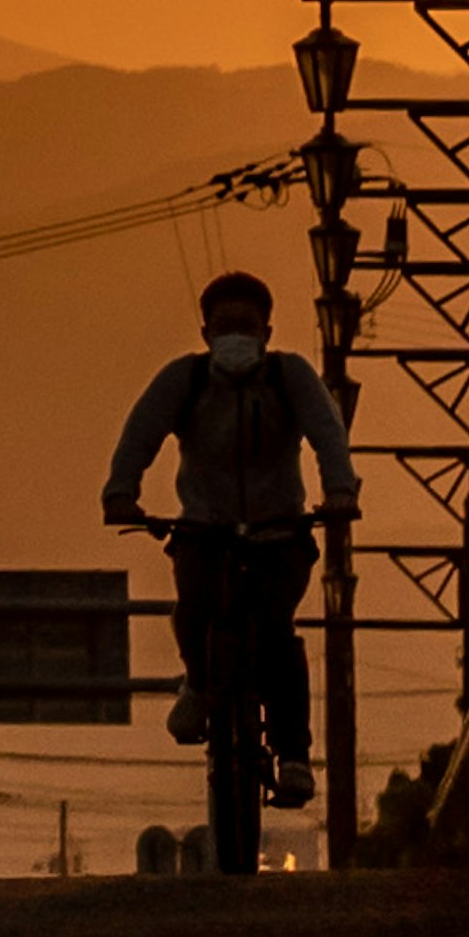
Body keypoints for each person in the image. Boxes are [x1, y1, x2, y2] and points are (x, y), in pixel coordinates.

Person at [102, 268, 356, 812]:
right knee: (192, 612)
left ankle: (293, 756)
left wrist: (339, 491)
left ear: (266, 329)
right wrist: (121, 492)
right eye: (226, 324)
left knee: (277, 639)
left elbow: (327, 433)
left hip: (279, 533)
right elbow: (140, 431)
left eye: (245, 323)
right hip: (204, 532)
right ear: (205, 331)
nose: (236, 334)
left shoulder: (291, 378)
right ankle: (198, 681)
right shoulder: (184, 381)